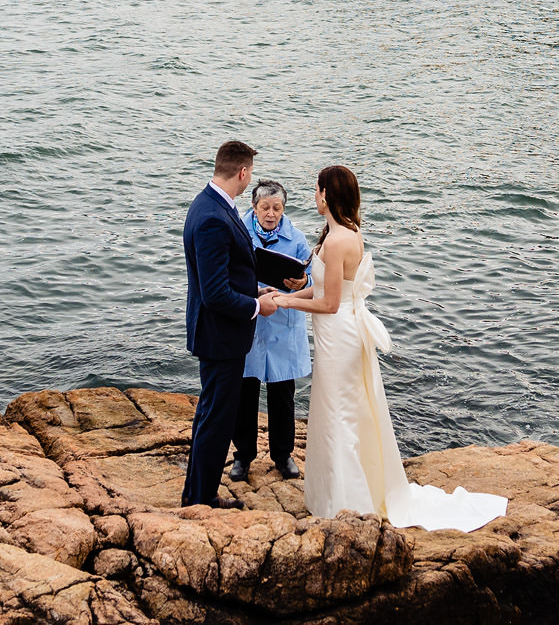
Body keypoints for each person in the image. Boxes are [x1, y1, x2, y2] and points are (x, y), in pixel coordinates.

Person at [262, 164, 507, 532]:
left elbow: (329, 303)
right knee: (344, 407)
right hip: (342, 328)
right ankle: (342, 490)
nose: (314, 195)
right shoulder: (348, 232)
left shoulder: (335, 240)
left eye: (316, 189)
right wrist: (292, 293)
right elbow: (329, 289)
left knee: (338, 412)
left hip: (338, 331)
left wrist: (284, 303)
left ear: (327, 194)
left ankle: (343, 499)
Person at [180, 139, 277, 508]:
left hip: (219, 333)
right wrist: (257, 306)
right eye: (249, 172)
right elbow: (216, 293)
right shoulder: (212, 218)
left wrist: (255, 287)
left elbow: (224, 274)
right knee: (216, 420)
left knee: (211, 415)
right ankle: (201, 499)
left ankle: (196, 492)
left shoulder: (212, 205)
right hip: (220, 335)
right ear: (242, 172)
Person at [229, 179, 311, 483]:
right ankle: (243, 456)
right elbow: (226, 274)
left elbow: (315, 281)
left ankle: (282, 454)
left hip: (282, 326)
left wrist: (303, 284)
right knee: (244, 392)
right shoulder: (238, 232)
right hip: (250, 320)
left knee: (282, 394)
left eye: (277, 208)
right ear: (254, 206)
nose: (271, 214)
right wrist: (254, 288)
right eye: (265, 207)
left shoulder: (298, 238)